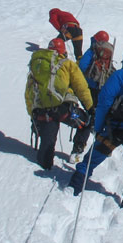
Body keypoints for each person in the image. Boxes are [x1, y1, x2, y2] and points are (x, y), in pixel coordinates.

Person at [68, 44, 123, 209]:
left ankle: (75, 185)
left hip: (114, 127)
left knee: (92, 158)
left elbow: (105, 100)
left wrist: (99, 124)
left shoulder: (121, 75)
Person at [25, 38, 94, 170]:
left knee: (47, 149)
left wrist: (32, 114)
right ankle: (77, 150)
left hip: (42, 113)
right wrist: (90, 108)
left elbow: (29, 92)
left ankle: (45, 164)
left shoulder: (37, 65)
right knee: (86, 123)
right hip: (64, 110)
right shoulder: (67, 64)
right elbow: (81, 88)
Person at [72, 30, 114, 162]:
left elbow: (82, 66)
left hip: (89, 88)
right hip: (103, 89)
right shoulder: (108, 52)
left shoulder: (92, 51)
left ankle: (78, 149)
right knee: (102, 117)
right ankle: (104, 147)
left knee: (88, 117)